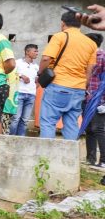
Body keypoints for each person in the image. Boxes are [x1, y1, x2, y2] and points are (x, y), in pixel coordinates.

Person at [38, 11, 97, 140]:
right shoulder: (91, 43)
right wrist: (83, 86)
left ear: (63, 23)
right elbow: (90, 69)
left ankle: (46, 159)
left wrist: (40, 73)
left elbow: (46, 58)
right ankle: (69, 159)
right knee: (71, 124)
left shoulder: (60, 37)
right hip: (78, 89)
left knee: (48, 122)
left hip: (58, 85)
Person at [9, 44, 39, 136]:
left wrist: (34, 87)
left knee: (25, 120)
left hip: (31, 95)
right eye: (35, 51)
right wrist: (21, 76)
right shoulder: (17, 63)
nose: (37, 53)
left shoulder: (36, 66)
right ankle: (11, 138)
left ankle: (21, 139)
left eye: (37, 51)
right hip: (19, 93)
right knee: (15, 118)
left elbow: (37, 81)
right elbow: (9, 74)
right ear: (27, 52)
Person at [84, 33, 105, 167]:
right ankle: (90, 159)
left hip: (99, 98)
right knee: (89, 128)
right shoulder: (86, 56)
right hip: (86, 96)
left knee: (99, 128)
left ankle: (103, 160)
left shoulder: (102, 56)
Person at [2, 70, 20, 135]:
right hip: (9, 103)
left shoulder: (13, 71)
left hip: (9, 102)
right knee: (5, 123)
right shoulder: (13, 71)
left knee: (6, 123)